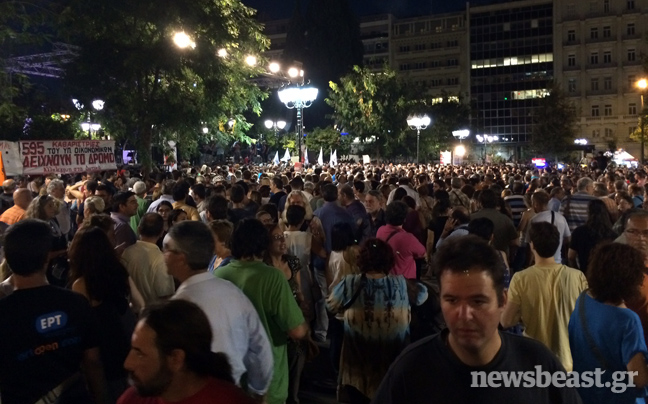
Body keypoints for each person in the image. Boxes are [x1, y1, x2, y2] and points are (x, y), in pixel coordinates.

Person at [372, 235, 581, 404]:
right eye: (452, 300)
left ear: (502, 301)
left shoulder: (538, 363)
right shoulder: (411, 369)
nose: (464, 314)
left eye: (478, 301)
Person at [0, 220, 108, 404]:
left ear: (8, 260)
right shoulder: (75, 303)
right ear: (46, 258)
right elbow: (92, 361)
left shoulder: (4, 312)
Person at [164, 221, 273, 400]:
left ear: (181, 257)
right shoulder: (232, 292)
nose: (164, 255)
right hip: (232, 392)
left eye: (167, 249)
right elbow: (260, 348)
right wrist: (258, 390)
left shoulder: (178, 307)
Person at [215, 219, 308, 404]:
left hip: (229, 376)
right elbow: (296, 331)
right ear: (263, 244)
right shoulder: (272, 277)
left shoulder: (219, 275)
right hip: (267, 377)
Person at [327, 238, 427, 403]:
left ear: (361, 260)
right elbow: (423, 296)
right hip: (392, 369)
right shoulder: (402, 284)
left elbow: (330, 305)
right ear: (388, 260)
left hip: (357, 372)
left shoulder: (350, 284)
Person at [118, 300, 256, 404]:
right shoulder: (131, 400)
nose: (127, 363)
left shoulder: (231, 400)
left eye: (140, 354)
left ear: (176, 358)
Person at [501, 222, 587, 371]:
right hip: (570, 361)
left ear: (532, 245)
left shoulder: (521, 279)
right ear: (557, 245)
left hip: (534, 360)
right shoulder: (577, 276)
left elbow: (506, 321)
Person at [569, 243, 648, 404]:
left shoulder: (583, 299)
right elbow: (639, 379)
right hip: (617, 397)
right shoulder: (628, 320)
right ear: (629, 279)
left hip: (585, 392)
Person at [68, 226, 140, 400]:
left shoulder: (81, 284)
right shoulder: (118, 271)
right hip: (125, 339)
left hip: (103, 350)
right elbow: (137, 303)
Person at [122, 213, 175, 305]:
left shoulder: (126, 252)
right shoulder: (161, 259)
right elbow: (166, 294)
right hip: (153, 311)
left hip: (131, 309)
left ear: (139, 229)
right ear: (161, 232)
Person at [376, 201, 425, 279]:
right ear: (404, 218)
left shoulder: (380, 230)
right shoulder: (407, 238)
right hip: (404, 281)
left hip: (385, 278)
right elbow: (422, 252)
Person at [568, 199, 618, 271]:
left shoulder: (578, 231)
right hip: (605, 273)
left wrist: (577, 271)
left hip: (584, 272)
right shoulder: (612, 234)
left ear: (588, 213)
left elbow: (570, 257)